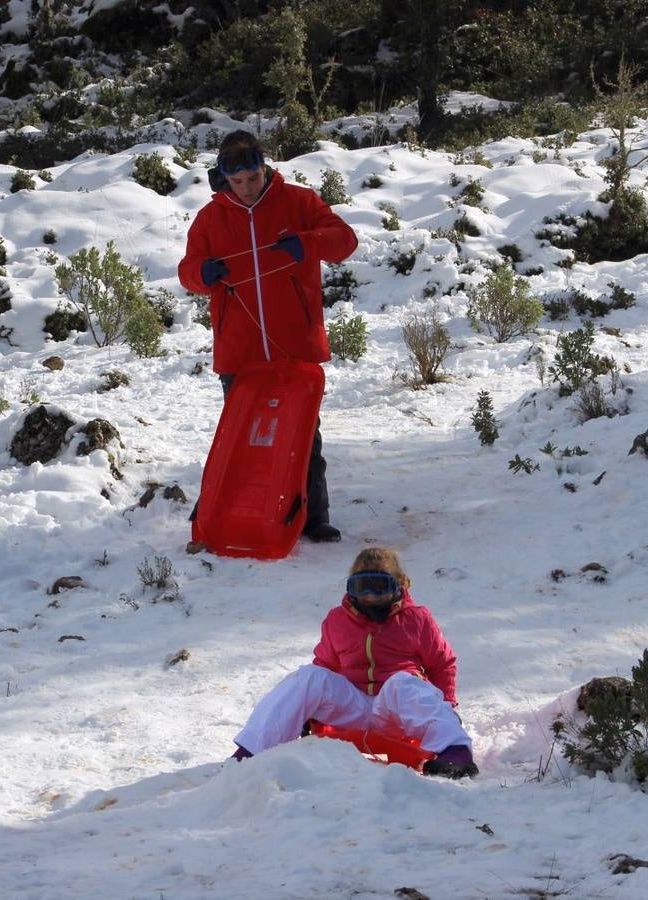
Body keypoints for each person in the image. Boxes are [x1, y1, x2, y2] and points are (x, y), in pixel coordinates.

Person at [178, 130, 358, 543]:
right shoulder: (210, 218)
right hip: (239, 353)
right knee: (242, 440)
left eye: (253, 179)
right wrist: (201, 274)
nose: (245, 189)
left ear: (265, 168)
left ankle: (315, 517)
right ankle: (232, 512)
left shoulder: (299, 202)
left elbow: (345, 241)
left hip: (295, 345)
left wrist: (309, 243)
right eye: (236, 182)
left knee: (303, 438)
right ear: (223, 178)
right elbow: (187, 270)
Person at [229, 547, 478, 780]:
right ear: (350, 589)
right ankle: (251, 752)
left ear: (398, 585)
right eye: (362, 588)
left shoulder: (416, 619)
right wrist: (309, 711)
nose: (370, 598)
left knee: (405, 682)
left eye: (380, 587)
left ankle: (455, 751)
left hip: (397, 711)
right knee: (310, 676)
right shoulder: (338, 620)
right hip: (355, 707)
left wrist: (447, 706)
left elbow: (442, 664)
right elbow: (325, 666)